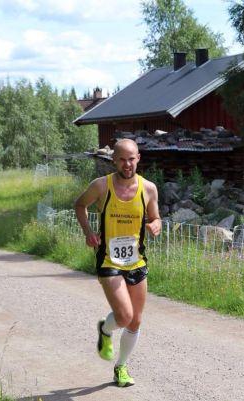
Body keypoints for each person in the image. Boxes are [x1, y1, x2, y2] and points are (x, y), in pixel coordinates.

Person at [75, 139, 161, 387]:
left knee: (136, 320)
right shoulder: (101, 186)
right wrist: (88, 231)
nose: (127, 164)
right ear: (114, 160)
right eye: (122, 159)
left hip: (137, 261)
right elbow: (80, 205)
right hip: (109, 260)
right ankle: (105, 329)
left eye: (131, 158)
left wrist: (156, 225)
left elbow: (156, 217)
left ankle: (121, 367)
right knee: (124, 316)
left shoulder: (149, 189)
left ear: (139, 158)